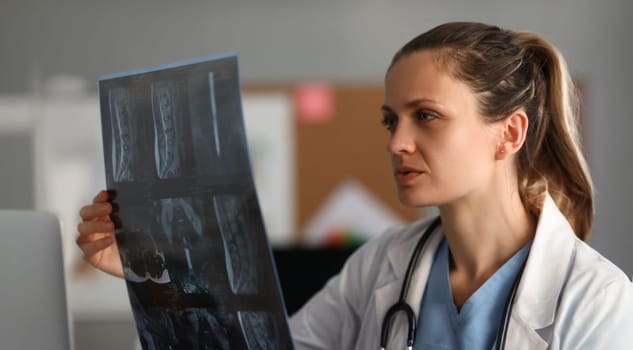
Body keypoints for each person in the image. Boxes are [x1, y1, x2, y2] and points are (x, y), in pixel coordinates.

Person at [77, 21, 633, 349]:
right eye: (391, 120)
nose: (396, 143)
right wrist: (157, 274)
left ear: (508, 133)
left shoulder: (597, 301)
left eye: (427, 116)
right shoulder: (386, 263)